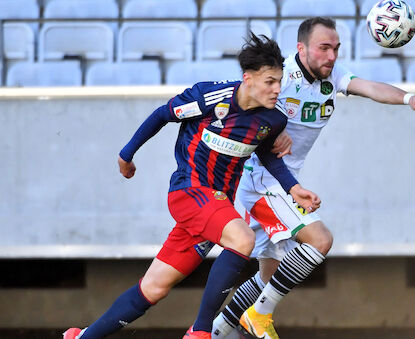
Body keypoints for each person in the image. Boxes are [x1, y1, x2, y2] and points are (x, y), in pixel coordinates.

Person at [62, 33, 321, 339]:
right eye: (269, 82)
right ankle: (200, 332)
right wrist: (126, 154)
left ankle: (82, 337)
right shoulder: (210, 98)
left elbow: (265, 153)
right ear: (247, 78)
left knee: (153, 288)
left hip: (215, 207)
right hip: (189, 192)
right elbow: (162, 115)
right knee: (243, 238)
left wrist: (293, 188)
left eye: (279, 81)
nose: (277, 89)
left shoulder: (272, 120)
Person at [210, 17, 415, 339]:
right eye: (324, 48)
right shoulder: (282, 77)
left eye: (335, 48)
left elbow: (372, 88)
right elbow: (244, 104)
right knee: (320, 240)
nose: (331, 56)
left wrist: (408, 98)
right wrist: (268, 132)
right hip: (263, 180)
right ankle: (259, 315)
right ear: (301, 48)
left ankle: (217, 332)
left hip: (284, 180)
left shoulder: (333, 76)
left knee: (267, 277)